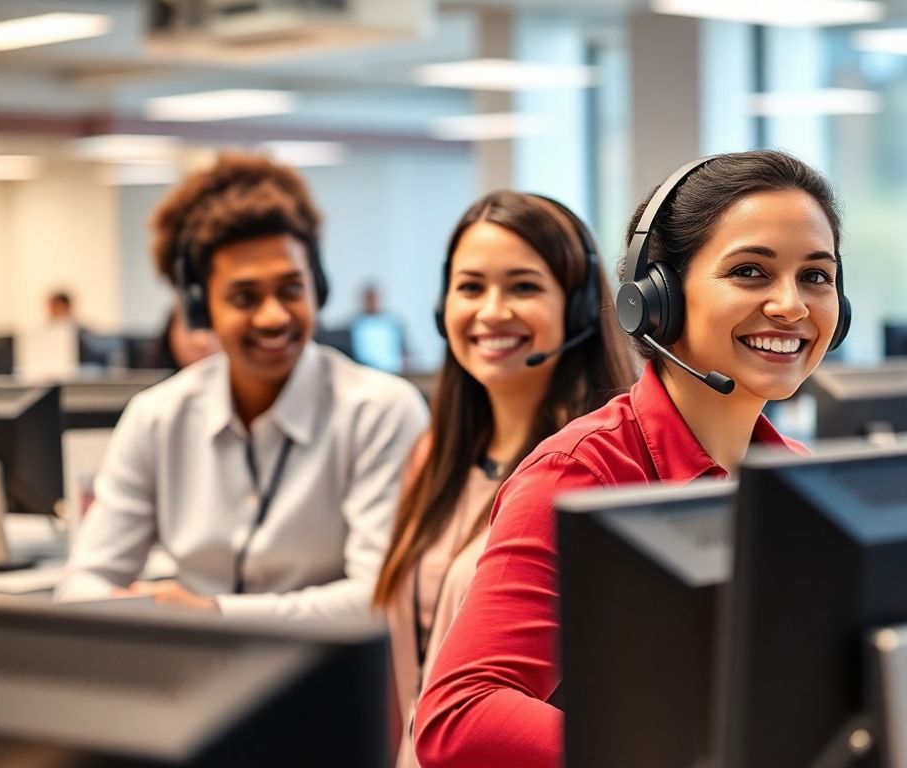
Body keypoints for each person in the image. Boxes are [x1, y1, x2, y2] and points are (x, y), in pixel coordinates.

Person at [413, 150, 850, 767]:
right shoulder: (581, 473)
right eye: (750, 271)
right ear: (656, 299)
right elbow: (460, 714)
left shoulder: (801, 478)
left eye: (816, 276)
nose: (791, 305)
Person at [56, 152, 429, 620]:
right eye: (244, 297)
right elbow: (84, 582)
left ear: (317, 288)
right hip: (189, 663)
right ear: (200, 309)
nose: (273, 316)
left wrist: (213, 614)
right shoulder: (158, 417)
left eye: (291, 289)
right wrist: (137, 610)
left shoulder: (380, 412)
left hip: (329, 665)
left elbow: (379, 599)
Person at [372, 191, 633, 768]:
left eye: (523, 287)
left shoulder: (590, 473)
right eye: (470, 287)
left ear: (579, 308)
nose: (492, 312)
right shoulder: (434, 457)